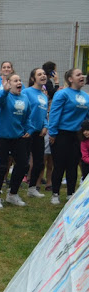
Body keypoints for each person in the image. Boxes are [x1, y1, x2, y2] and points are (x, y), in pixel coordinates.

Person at [0, 73, 32, 209]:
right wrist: (5, 91)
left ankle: (12, 193)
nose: (18, 82)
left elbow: (28, 117)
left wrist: (29, 129)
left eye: (20, 80)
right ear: (9, 83)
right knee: (1, 167)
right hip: (1, 136)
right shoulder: (4, 96)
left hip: (18, 136)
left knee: (23, 164)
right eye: (15, 80)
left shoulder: (25, 98)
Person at [48, 68, 89, 204]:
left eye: (82, 74)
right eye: (78, 75)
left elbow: (87, 117)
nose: (81, 76)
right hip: (62, 133)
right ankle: (55, 193)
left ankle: (70, 193)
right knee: (59, 165)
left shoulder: (86, 96)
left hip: (77, 135)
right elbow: (54, 113)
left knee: (73, 165)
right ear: (70, 79)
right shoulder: (62, 94)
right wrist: (53, 132)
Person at [23, 68, 49, 199]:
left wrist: (45, 125)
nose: (43, 76)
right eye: (39, 74)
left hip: (39, 133)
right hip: (27, 132)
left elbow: (44, 114)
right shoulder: (26, 92)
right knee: (23, 162)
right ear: (33, 78)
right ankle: (12, 189)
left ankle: (32, 187)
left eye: (44, 74)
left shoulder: (44, 95)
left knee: (39, 162)